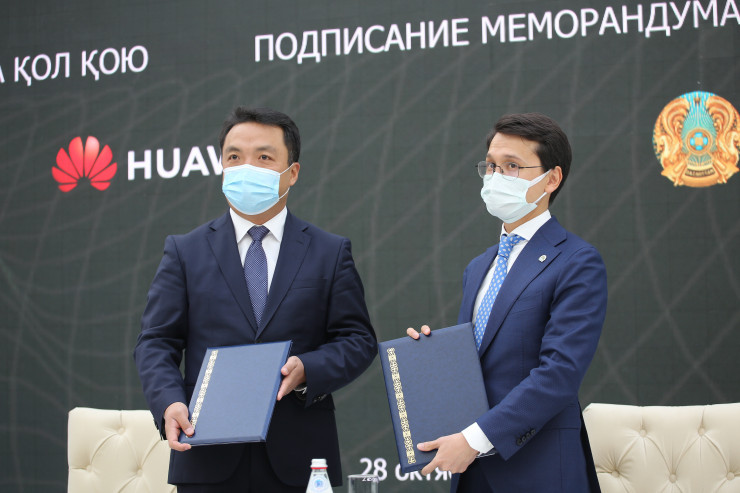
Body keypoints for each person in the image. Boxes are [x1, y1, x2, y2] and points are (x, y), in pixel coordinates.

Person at [134, 106, 377, 492]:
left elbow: (358, 340)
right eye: (234, 157)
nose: (246, 168)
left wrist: (308, 369)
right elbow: (155, 342)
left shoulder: (329, 252)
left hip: (301, 460)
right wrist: (169, 402)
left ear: (292, 173)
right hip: (206, 454)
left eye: (263, 157)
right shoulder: (185, 251)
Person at [408, 113, 607, 492]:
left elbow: (559, 374)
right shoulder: (479, 266)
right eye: (491, 166)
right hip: (471, 473)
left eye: (512, 166)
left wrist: (475, 439)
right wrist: (434, 357)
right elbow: (481, 364)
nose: (496, 177)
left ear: (552, 179)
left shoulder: (577, 261)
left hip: (537, 470)